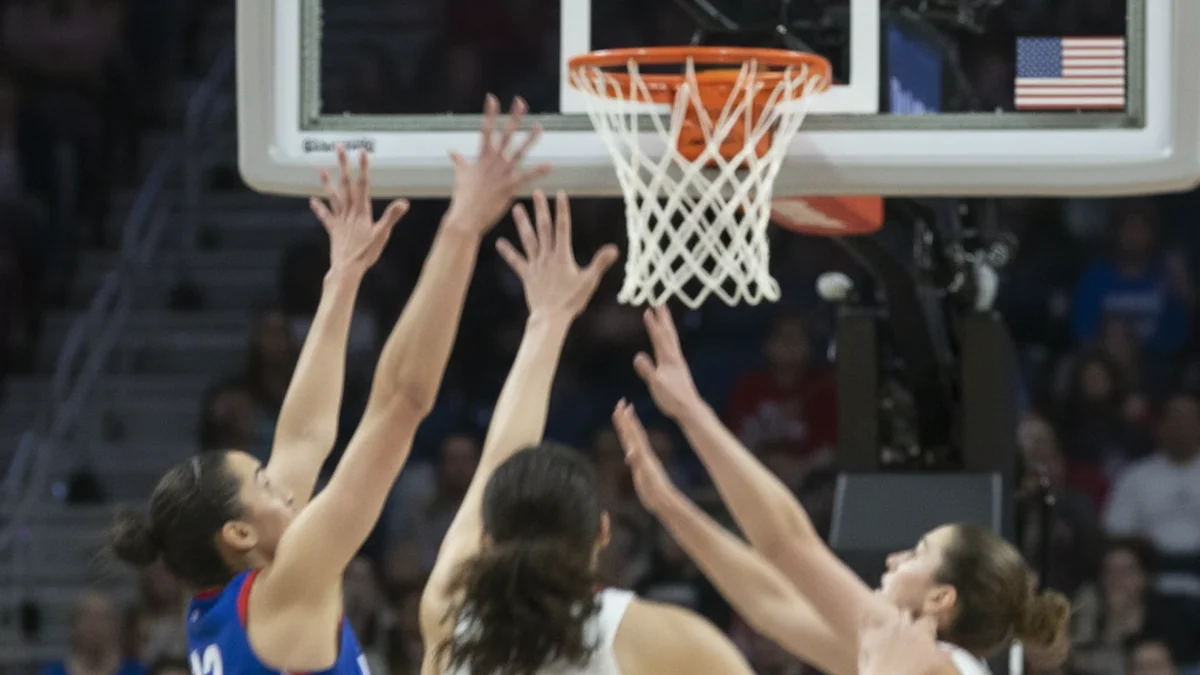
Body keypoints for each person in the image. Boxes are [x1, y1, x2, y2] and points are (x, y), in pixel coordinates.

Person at [106, 96, 548, 675]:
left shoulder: (224, 600)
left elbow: (304, 437)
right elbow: (401, 405)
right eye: (264, 483)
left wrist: (342, 279)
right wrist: (461, 228)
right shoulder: (288, 582)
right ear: (238, 532)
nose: (284, 487)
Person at [613, 306, 1073, 675]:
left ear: (940, 598)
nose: (893, 559)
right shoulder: (901, 655)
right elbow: (770, 605)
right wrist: (668, 504)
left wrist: (694, 413)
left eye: (917, 553)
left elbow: (786, 542)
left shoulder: (931, 663)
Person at [418, 191, 754, 675]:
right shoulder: (659, 639)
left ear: (487, 539)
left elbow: (497, 461)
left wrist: (546, 323)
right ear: (601, 531)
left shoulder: (447, 618)